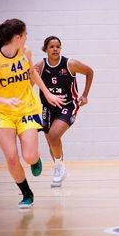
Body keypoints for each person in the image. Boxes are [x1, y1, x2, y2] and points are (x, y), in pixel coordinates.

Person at [0, 19, 65, 208]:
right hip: (3, 113)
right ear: (17, 38)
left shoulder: (25, 52)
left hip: (26, 109)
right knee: (11, 157)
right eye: (25, 35)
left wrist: (47, 93)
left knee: (30, 156)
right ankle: (26, 193)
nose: (27, 38)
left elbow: (32, 74)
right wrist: (4, 100)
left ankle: (35, 160)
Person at [35, 36, 94, 187]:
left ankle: (58, 168)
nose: (55, 49)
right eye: (51, 46)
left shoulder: (70, 64)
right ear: (46, 49)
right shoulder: (41, 66)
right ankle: (59, 168)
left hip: (68, 106)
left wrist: (85, 95)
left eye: (58, 46)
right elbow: (29, 81)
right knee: (51, 141)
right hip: (48, 107)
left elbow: (90, 72)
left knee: (54, 136)